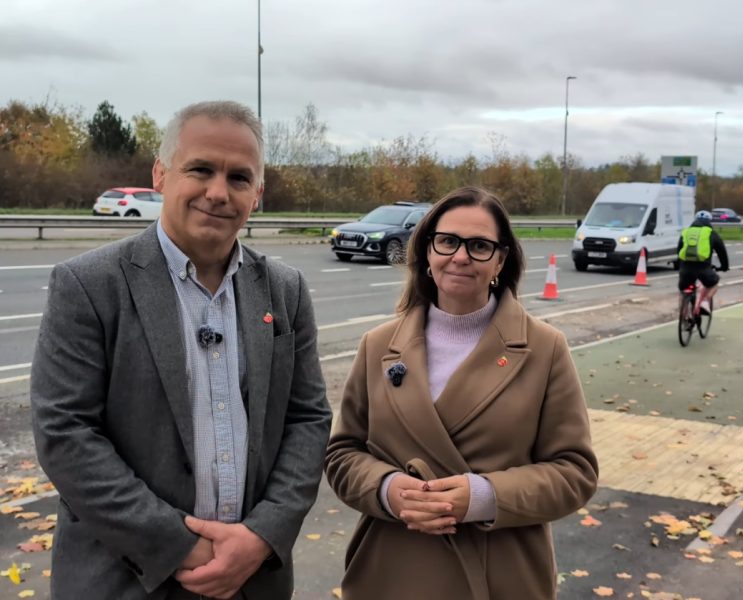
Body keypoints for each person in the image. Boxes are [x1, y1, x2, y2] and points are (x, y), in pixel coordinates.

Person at [30, 100, 331, 600]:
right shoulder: (89, 285)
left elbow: (308, 419)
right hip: (125, 577)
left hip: (252, 578)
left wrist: (261, 536)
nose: (218, 192)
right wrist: (178, 545)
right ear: (161, 174)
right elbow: (65, 432)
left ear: (257, 194)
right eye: (201, 170)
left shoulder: (285, 290)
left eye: (239, 178)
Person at [325, 186, 599, 600]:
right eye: (448, 241)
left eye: (480, 246)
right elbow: (342, 454)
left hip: (499, 576)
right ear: (428, 253)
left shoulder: (544, 349)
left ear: (501, 261)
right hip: (391, 569)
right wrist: (387, 490)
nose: (460, 256)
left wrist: (485, 496)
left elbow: (575, 472)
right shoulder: (378, 345)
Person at [677, 209, 729, 314]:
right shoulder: (711, 233)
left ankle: (684, 317)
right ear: (709, 221)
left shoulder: (686, 232)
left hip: (685, 268)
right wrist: (724, 266)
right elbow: (721, 251)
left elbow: (679, 250)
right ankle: (705, 302)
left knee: (683, 291)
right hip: (703, 268)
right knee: (714, 284)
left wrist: (680, 266)